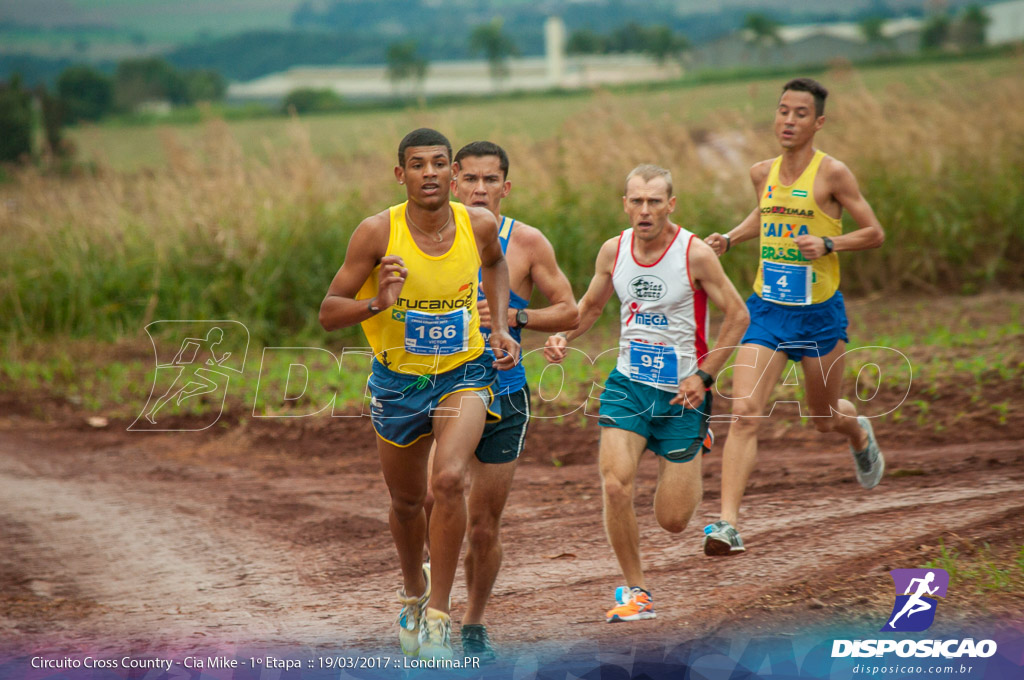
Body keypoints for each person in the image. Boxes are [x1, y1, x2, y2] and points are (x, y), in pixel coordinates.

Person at [318, 128, 519, 661]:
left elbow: (496, 266)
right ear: (400, 173)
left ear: (453, 174)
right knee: (408, 504)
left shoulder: (478, 222)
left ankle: (438, 618)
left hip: (464, 372)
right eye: (416, 164)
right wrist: (378, 302)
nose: (428, 172)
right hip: (397, 383)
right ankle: (413, 592)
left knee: (450, 479)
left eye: (438, 163)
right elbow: (328, 311)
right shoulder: (375, 233)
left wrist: (499, 326)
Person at [544, 164, 748, 623]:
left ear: (670, 205)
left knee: (673, 521)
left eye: (654, 201)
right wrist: (564, 336)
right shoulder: (613, 251)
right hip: (627, 386)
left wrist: (705, 376)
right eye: (636, 201)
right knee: (615, 484)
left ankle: (697, 440)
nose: (645, 210)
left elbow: (737, 315)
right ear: (625, 204)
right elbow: (591, 306)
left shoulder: (694, 254)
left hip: (684, 396)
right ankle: (635, 590)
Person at [702, 77, 886, 557]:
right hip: (766, 311)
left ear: (818, 122)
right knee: (744, 414)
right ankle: (726, 525)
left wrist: (829, 243)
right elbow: (765, 214)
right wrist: (730, 238)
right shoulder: (762, 171)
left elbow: (874, 232)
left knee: (823, 418)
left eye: (800, 113)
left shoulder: (834, 175)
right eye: (783, 111)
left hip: (819, 317)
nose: (788, 120)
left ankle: (858, 430)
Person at [447, 140, 579, 659]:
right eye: (471, 179)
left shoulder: (526, 242)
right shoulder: (427, 237)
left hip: (504, 390)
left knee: (483, 526)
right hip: (441, 387)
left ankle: (473, 622)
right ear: (455, 181)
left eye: (490, 180)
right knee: (441, 493)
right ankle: (430, 601)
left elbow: (568, 310)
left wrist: (512, 320)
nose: (480, 190)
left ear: (506, 186)